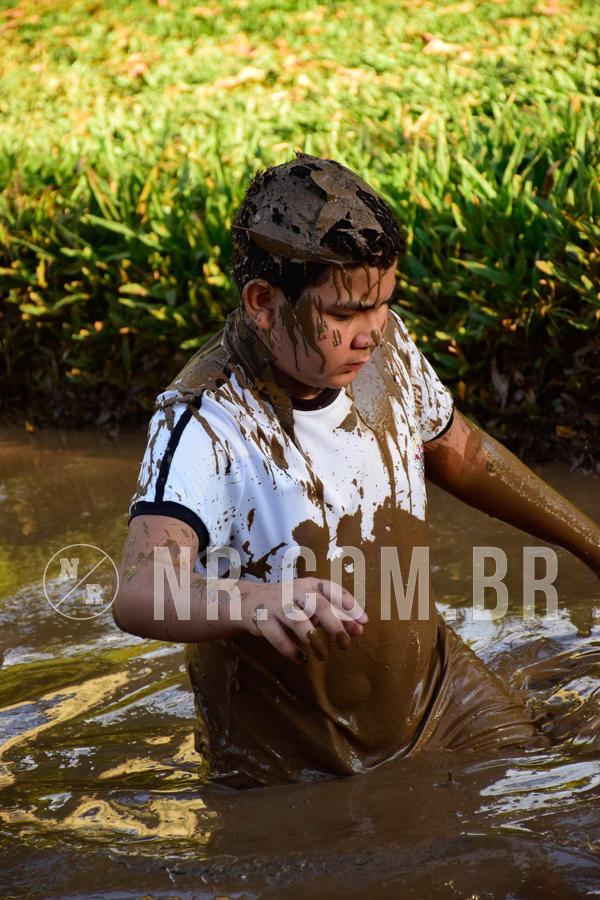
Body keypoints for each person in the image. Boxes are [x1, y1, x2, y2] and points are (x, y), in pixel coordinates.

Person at [114, 154, 600, 788]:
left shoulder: (386, 343)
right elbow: (139, 586)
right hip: (294, 753)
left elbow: (462, 453)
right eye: (343, 315)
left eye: (383, 304)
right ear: (263, 302)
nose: (371, 334)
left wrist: (593, 546)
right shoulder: (207, 421)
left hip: (438, 693)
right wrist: (256, 599)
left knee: (552, 790)